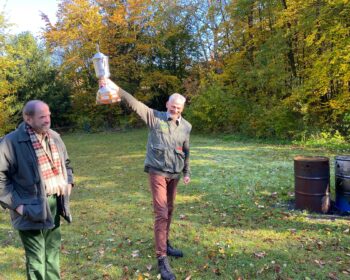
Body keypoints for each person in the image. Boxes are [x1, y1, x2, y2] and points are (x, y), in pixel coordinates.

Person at [100, 78, 192, 280]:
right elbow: (134, 103)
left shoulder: (186, 126)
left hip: (174, 174)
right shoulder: (154, 117)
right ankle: (162, 258)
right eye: (173, 106)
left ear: (182, 109)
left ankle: (165, 243)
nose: (175, 110)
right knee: (161, 213)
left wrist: (186, 172)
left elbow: (186, 150)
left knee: (169, 210)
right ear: (167, 105)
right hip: (157, 171)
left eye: (179, 107)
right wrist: (115, 87)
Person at [0, 100, 74, 280]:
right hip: (28, 208)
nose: (48, 120)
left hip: (55, 203)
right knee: (36, 259)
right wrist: (18, 206)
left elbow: (66, 164)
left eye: (48, 115)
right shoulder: (11, 142)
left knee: (52, 253)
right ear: (28, 118)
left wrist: (69, 183)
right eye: (42, 117)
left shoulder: (55, 136)